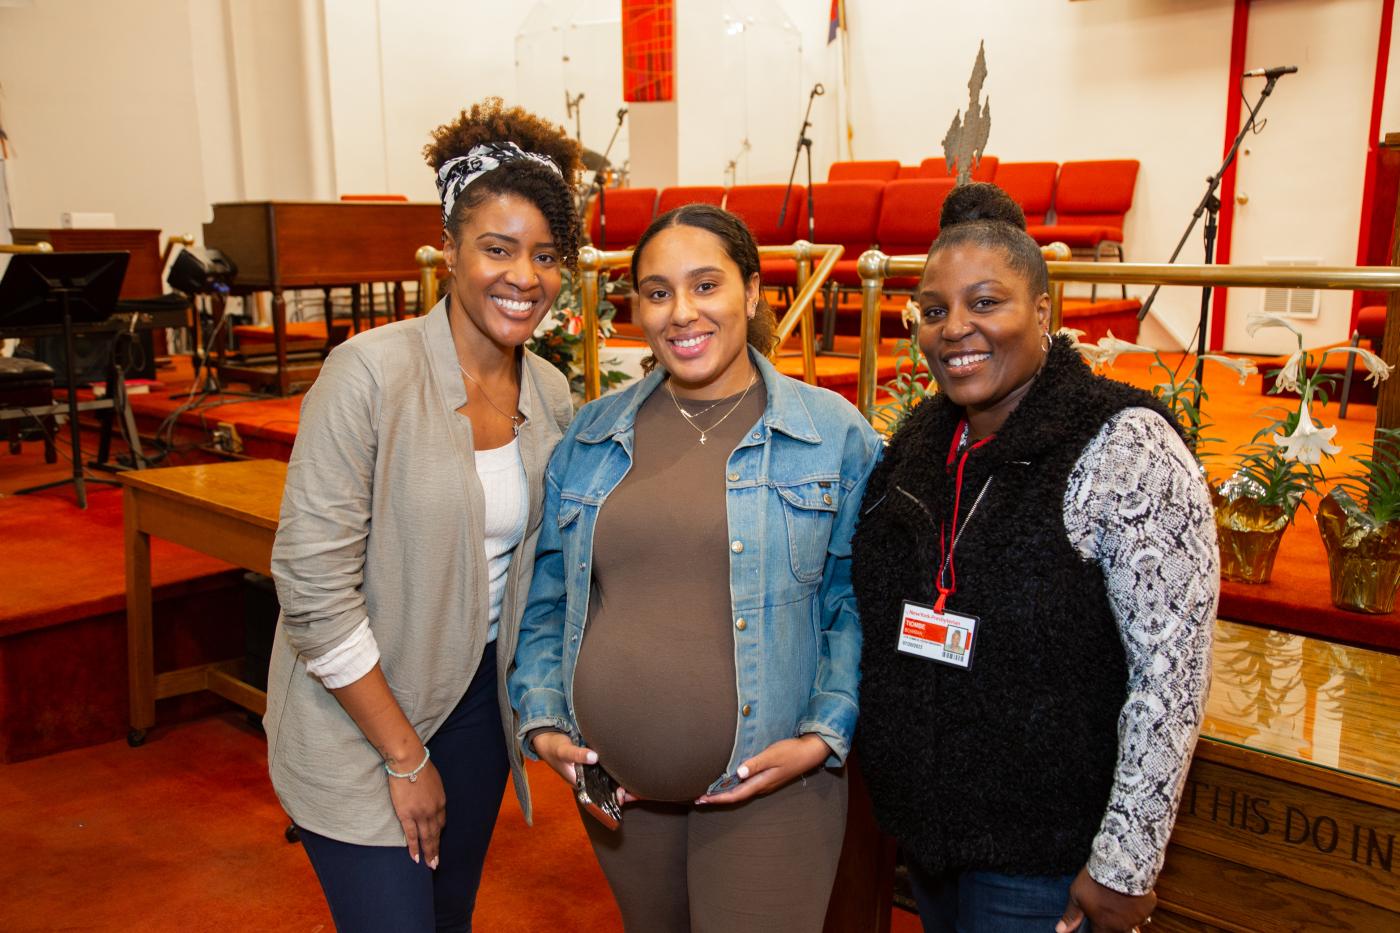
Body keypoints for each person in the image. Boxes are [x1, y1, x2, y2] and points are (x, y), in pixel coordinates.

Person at [851, 183, 1217, 933]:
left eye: (986, 303)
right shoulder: (925, 438)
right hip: (930, 835)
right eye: (934, 310)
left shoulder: (1126, 446)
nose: (956, 329)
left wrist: (1123, 864)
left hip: (1044, 854)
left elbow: (1171, 673)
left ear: (1044, 310)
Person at [510, 203, 882, 931]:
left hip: (773, 785)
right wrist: (546, 718)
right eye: (657, 292)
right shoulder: (592, 433)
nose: (682, 312)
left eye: (705, 285)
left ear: (751, 291)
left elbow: (856, 601)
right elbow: (550, 595)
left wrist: (822, 734)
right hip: (619, 790)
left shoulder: (831, 433)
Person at [264, 98, 579, 932]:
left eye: (546, 256)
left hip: (477, 708)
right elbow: (310, 584)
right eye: (498, 248)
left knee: (447, 918)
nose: (525, 276)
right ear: (449, 250)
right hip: (358, 711)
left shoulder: (550, 392)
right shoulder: (367, 373)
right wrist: (404, 754)